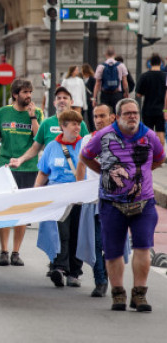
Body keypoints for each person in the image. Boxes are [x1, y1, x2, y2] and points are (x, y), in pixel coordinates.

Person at [80, 99, 165, 312]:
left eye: (135, 113)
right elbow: (86, 156)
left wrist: (142, 172)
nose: (132, 116)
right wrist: (104, 172)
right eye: (127, 113)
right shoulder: (103, 135)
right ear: (117, 117)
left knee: (143, 247)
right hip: (111, 203)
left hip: (143, 202)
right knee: (113, 250)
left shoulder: (149, 136)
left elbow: (159, 159)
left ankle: (139, 294)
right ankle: (118, 293)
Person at [0, 78, 42, 267]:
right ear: (15, 94)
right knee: (5, 209)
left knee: (22, 211)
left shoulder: (37, 112)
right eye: (25, 92)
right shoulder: (3, 112)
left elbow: (39, 139)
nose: (29, 96)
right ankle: (4, 251)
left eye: (30, 92)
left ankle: (16, 252)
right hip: (6, 166)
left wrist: (32, 117)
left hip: (28, 167)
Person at [35, 110, 85, 288]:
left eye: (78, 124)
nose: (77, 127)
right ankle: (60, 268)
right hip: (57, 197)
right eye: (73, 124)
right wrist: (35, 194)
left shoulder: (84, 146)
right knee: (60, 233)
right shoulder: (51, 147)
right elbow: (43, 172)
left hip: (79, 196)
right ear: (63, 126)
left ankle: (74, 272)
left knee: (77, 234)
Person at [74, 104, 115, 298]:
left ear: (112, 117)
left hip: (115, 200)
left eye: (102, 116)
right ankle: (100, 280)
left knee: (111, 242)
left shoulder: (119, 140)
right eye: (96, 116)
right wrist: (78, 191)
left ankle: (107, 270)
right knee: (96, 241)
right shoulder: (87, 140)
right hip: (92, 198)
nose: (98, 119)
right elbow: (81, 167)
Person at [135, 52, 167, 146]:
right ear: (160, 63)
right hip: (161, 110)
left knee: (148, 133)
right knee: (160, 131)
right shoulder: (165, 76)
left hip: (147, 109)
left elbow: (139, 94)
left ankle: (149, 153)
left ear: (150, 63)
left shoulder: (144, 76)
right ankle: (160, 155)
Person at [93, 46, 130, 110]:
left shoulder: (101, 66)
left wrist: (94, 98)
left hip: (105, 94)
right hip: (117, 94)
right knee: (117, 113)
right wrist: (126, 93)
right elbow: (125, 81)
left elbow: (97, 83)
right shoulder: (121, 65)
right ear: (114, 54)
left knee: (106, 113)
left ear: (106, 55)